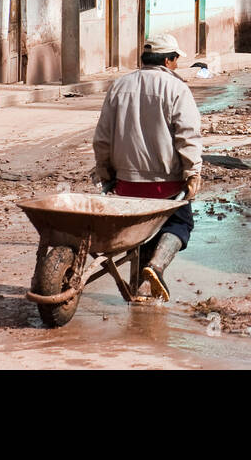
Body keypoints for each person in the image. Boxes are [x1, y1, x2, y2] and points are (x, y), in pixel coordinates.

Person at [93, 34, 201, 301]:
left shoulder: (119, 85)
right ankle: (156, 267)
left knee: (140, 232)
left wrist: (106, 174)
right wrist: (192, 171)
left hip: (127, 184)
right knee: (180, 223)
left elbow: (102, 138)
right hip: (166, 183)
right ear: (167, 60)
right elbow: (187, 135)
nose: (176, 65)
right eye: (175, 60)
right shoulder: (177, 89)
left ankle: (140, 290)